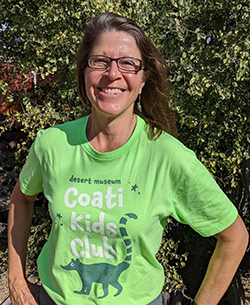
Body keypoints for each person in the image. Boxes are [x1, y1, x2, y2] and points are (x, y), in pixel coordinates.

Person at [8, 12, 248, 305]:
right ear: (84, 72)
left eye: (128, 64)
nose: (112, 73)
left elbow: (235, 237)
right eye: (99, 61)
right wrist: (17, 282)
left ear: (143, 79)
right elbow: (21, 198)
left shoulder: (168, 157)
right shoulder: (52, 144)